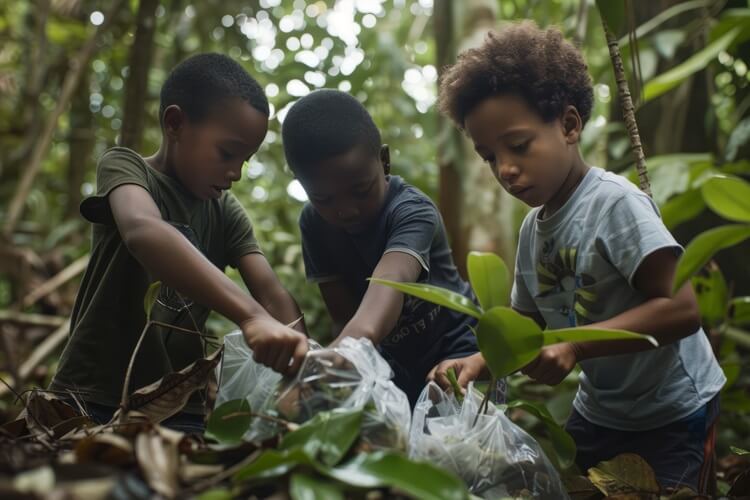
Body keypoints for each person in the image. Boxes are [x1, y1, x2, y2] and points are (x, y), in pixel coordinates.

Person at [435, 21, 725, 493]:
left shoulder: (614, 203)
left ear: (569, 125)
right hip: (602, 411)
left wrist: (575, 346)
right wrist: (479, 362)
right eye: (489, 156)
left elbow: (681, 309)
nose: (505, 169)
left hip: (674, 410)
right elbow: (524, 324)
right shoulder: (533, 229)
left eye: (519, 145)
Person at [50, 53, 309, 433]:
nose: (235, 172)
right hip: (92, 395)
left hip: (178, 409)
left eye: (245, 160)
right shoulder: (127, 169)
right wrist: (251, 316)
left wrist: (303, 357)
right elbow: (143, 230)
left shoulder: (225, 210)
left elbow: (271, 293)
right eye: (227, 153)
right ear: (175, 124)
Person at [281, 89, 487, 405]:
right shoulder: (314, 224)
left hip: (460, 351)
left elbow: (391, 282)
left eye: (361, 190)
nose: (345, 210)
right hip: (393, 366)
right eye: (323, 199)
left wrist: (338, 353)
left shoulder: (412, 211)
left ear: (384, 160)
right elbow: (344, 317)